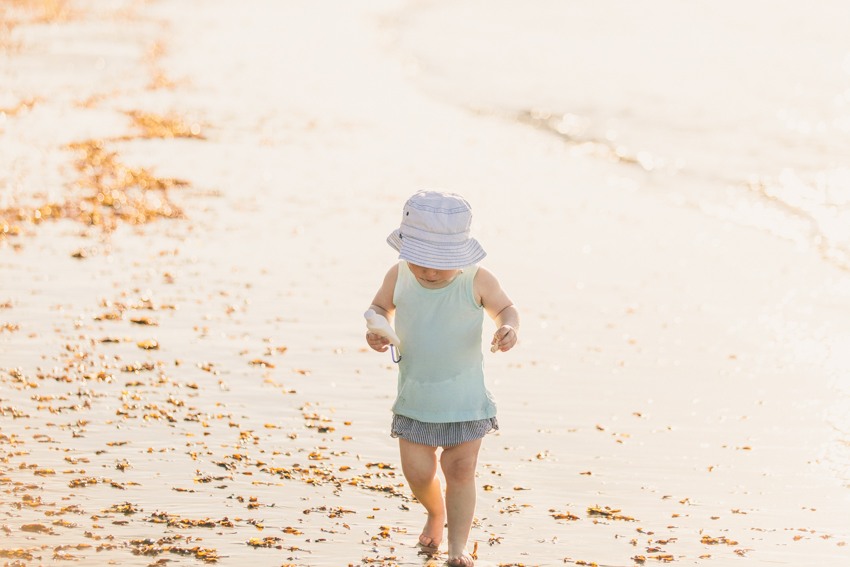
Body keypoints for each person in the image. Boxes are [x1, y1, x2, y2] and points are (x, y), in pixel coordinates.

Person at [365, 190, 519, 566]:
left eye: (439, 263)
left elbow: (506, 309)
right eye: (420, 261)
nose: (429, 271)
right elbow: (378, 307)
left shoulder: (477, 280)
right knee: (418, 473)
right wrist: (377, 330)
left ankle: (457, 548)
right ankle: (435, 511)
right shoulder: (398, 275)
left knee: (461, 470)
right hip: (416, 399)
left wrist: (509, 329)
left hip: (465, 400)